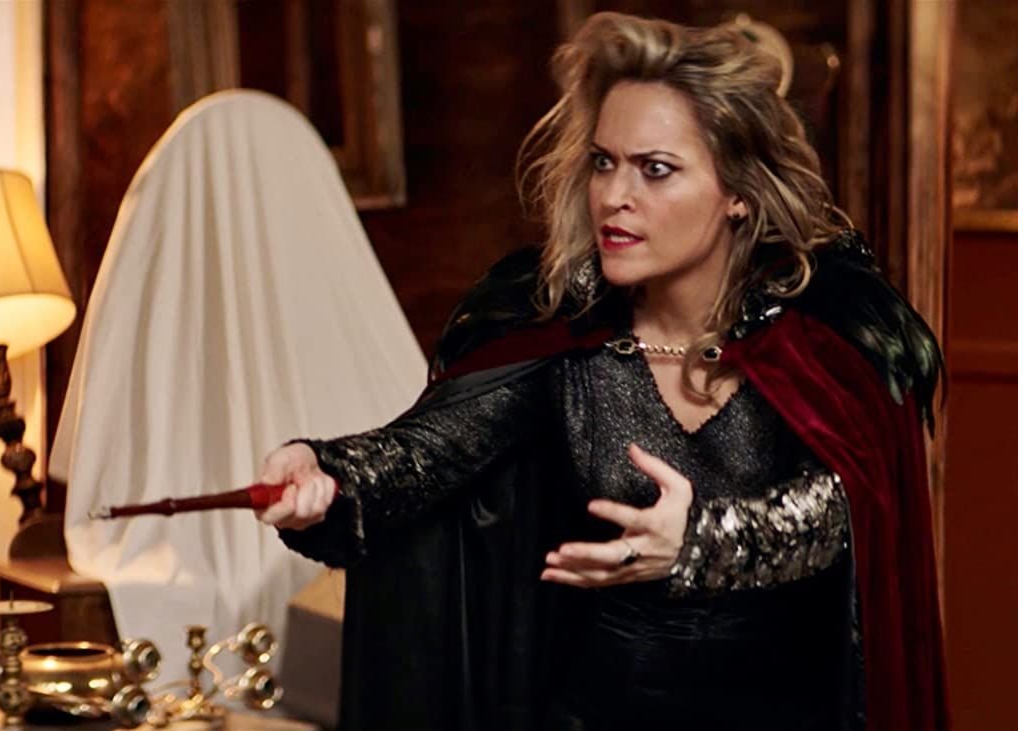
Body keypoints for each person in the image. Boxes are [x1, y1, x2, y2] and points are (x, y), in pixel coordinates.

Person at [257, 12, 948, 731]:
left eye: (656, 169)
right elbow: (420, 455)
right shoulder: (565, 347)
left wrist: (701, 541)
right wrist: (326, 473)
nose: (615, 195)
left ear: (738, 191)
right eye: (603, 162)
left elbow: (845, 515)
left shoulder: (818, 353)